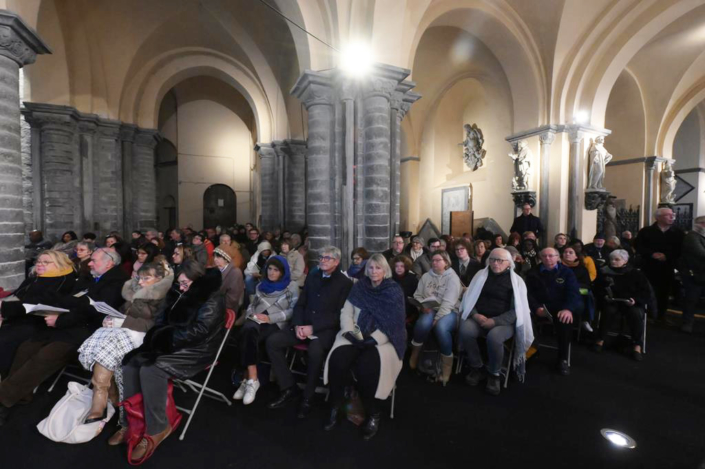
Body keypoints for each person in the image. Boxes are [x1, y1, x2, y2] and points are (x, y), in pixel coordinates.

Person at [0, 248, 128, 426]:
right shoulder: (87, 278)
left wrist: (61, 319)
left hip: (86, 332)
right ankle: (21, 395)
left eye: (94, 260)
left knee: (46, 356)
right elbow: (71, 301)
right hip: (65, 324)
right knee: (26, 348)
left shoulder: (117, 282)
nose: (90, 263)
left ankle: (3, 401)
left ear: (109, 263)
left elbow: (94, 312)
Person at [117, 261, 224, 461]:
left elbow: (200, 332)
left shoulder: (212, 297)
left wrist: (165, 337)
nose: (181, 288)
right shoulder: (179, 291)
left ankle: (157, 427)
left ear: (198, 281)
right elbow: (161, 318)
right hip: (172, 340)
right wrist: (160, 335)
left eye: (185, 284)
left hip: (197, 349)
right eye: (180, 283)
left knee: (151, 369)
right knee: (130, 363)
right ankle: (131, 421)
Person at [78, 262, 173, 424]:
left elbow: (156, 325)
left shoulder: (165, 298)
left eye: (146, 278)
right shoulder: (135, 292)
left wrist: (123, 322)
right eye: (139, 278)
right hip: (123, 332)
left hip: (145, 336)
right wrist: (110, 318)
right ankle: (105, 395)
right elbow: (121, 313)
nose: (141, 282)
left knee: (109, 342)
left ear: (160, 279)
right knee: (102, 338)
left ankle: (101, 399)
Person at [323, 254, 406, 440]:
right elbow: (347, 312)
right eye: (370, 268)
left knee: (367, 368)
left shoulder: (393, 291)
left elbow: (394, 324)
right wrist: (349, 332)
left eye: (378, 268)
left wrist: (373, 340)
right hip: (356, 334)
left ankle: (373, 413)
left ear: (385, 270)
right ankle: (335, 406)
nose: (374, 271)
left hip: (383, 340)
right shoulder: (360, 287)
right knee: (338, 360)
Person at [266, 246, 352, 418]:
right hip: (302, 325)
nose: (322, 260)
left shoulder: (344, 283)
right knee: (273, 341)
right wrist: (298, 324)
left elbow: (339, 315)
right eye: (321, 257)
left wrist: (313, 328)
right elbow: (301, 304)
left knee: (315, 351)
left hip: (324, 330)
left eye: (327, 258)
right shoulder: (313, 275)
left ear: (336, 262)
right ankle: (288, 387)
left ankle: (307, 397)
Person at [459, 249, 533, 395]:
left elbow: (517, 311)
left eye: (500, 260)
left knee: (494, 337)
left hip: (504, 322)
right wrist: (475, 315)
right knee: (465, 330)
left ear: (509, 263)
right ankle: (477, 367)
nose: (495, 263)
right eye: (492, 259)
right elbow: (469, 299)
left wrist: (495, 321)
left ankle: (494, 373)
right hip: (480, 317)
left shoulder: (516, 281)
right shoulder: (480, 276)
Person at [0, 251, 77, 377]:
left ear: (59, 263)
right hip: (18, 316)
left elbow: (39, 303)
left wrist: (4, 308)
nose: (40, 264)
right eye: (39, 261)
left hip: (39, 322)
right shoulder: (34, 278)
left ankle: (4, 378)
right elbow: (17, 295)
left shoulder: (63, 281)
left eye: (46, 262)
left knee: (5, 339)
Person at [233, 256, 298, 405]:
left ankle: (248, 378)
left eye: (276, 270)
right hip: (257, 320)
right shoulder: (261, 285)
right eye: (269, 269)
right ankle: (252, 379)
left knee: (247, 334)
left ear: (282, 272)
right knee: (249, 330)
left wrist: (270, 318)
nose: (271, 272)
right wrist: (251, 315)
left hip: (276, 322)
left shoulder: (291, 286)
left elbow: (292, 311)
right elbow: (252, 305)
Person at [524, 248, 582, 375]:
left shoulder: (567, 272)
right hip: (538, 307)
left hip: (560, 307)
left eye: (551, 255)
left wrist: (568, 309)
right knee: (522, 319)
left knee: (565, 321)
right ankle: (530, 352)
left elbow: (573, 293)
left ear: (557, 257)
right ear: (540, 258)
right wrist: (536, 307)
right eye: (544, 256)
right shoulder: (532, 273)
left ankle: (563, 358)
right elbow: (528, 294)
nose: (547, 258)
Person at [408, 251, 462, 385]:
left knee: (441, 327)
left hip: (449, 310)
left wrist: (437, 319)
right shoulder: (426, 276)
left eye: (438, 260)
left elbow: (448, 302)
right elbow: (418, 295)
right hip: (430, 307)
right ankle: (415, 353)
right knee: (423, 323)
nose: (434, 263)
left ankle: (446, 366)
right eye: (433, 260)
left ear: (446, 262)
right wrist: (421, 307)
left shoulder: (452, 278)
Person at [592, 250, 650, 361]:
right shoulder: (604, 272)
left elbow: (645, 292)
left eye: (617, 259)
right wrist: (604, 296)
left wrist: (635, 300)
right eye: (611, 259)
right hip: (612, 301)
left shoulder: (635, 274)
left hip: (631, 303)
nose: (613, 261)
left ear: (625, 261)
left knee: (635, 313)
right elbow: (597, 288)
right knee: (608, 311)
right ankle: (600, 339)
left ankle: (637, 344)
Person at [635, 207, 684, 322]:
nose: (672, 217)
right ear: (658, 217)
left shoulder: (678, 232)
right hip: (649, 266)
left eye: (673, 215)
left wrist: (667, 256)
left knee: (664, 292)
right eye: (668, 215)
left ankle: (661, 315)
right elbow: (638, 246)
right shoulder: (646, 231)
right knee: (648, 290)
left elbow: (681, 249)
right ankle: (648, 315)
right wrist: (651, 254)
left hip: (668, 266)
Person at [680, 216, 705, 333]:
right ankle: (687, 323)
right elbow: (701, 253)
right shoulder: (692, 237)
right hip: (693, 274)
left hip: (701, 273)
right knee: (691, 299)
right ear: (700, 224)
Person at [562, 246, 594, 331]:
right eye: (565, 252)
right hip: (561, 292)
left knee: (586, 294)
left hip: (578, 291)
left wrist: (573, 286)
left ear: (576, 256)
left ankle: (585, 320)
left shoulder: (582, 269)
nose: (567, 254)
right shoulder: (558, 267)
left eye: (570, 252)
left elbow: (587, 285)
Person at [213, 246, 245, 314]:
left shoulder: (235, 273)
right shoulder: (216, 269)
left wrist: (214, 307)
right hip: (214, 303)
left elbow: (232, 299)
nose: (215, 259)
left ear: (226, 259)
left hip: (226, 309)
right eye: (214, 256)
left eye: (218, 257)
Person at [391, 254, 420, 323]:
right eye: (396, 266)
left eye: (402, 266)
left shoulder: (413, 278)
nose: (399, 268)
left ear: (406, 267)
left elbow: (416, 296)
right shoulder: (390, 279)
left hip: (410, 309)